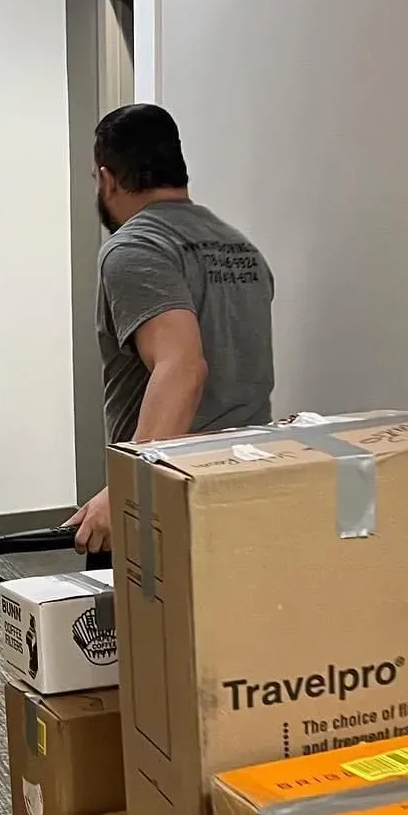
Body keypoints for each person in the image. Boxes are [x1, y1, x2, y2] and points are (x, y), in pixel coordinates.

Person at [71, 104, 274, 553]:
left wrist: (131, 491)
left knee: (146, 625)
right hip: (250, 487)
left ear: (106, 178)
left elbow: (183, 367)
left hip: (174, 503)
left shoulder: (133, 248)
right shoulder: (242, 248)